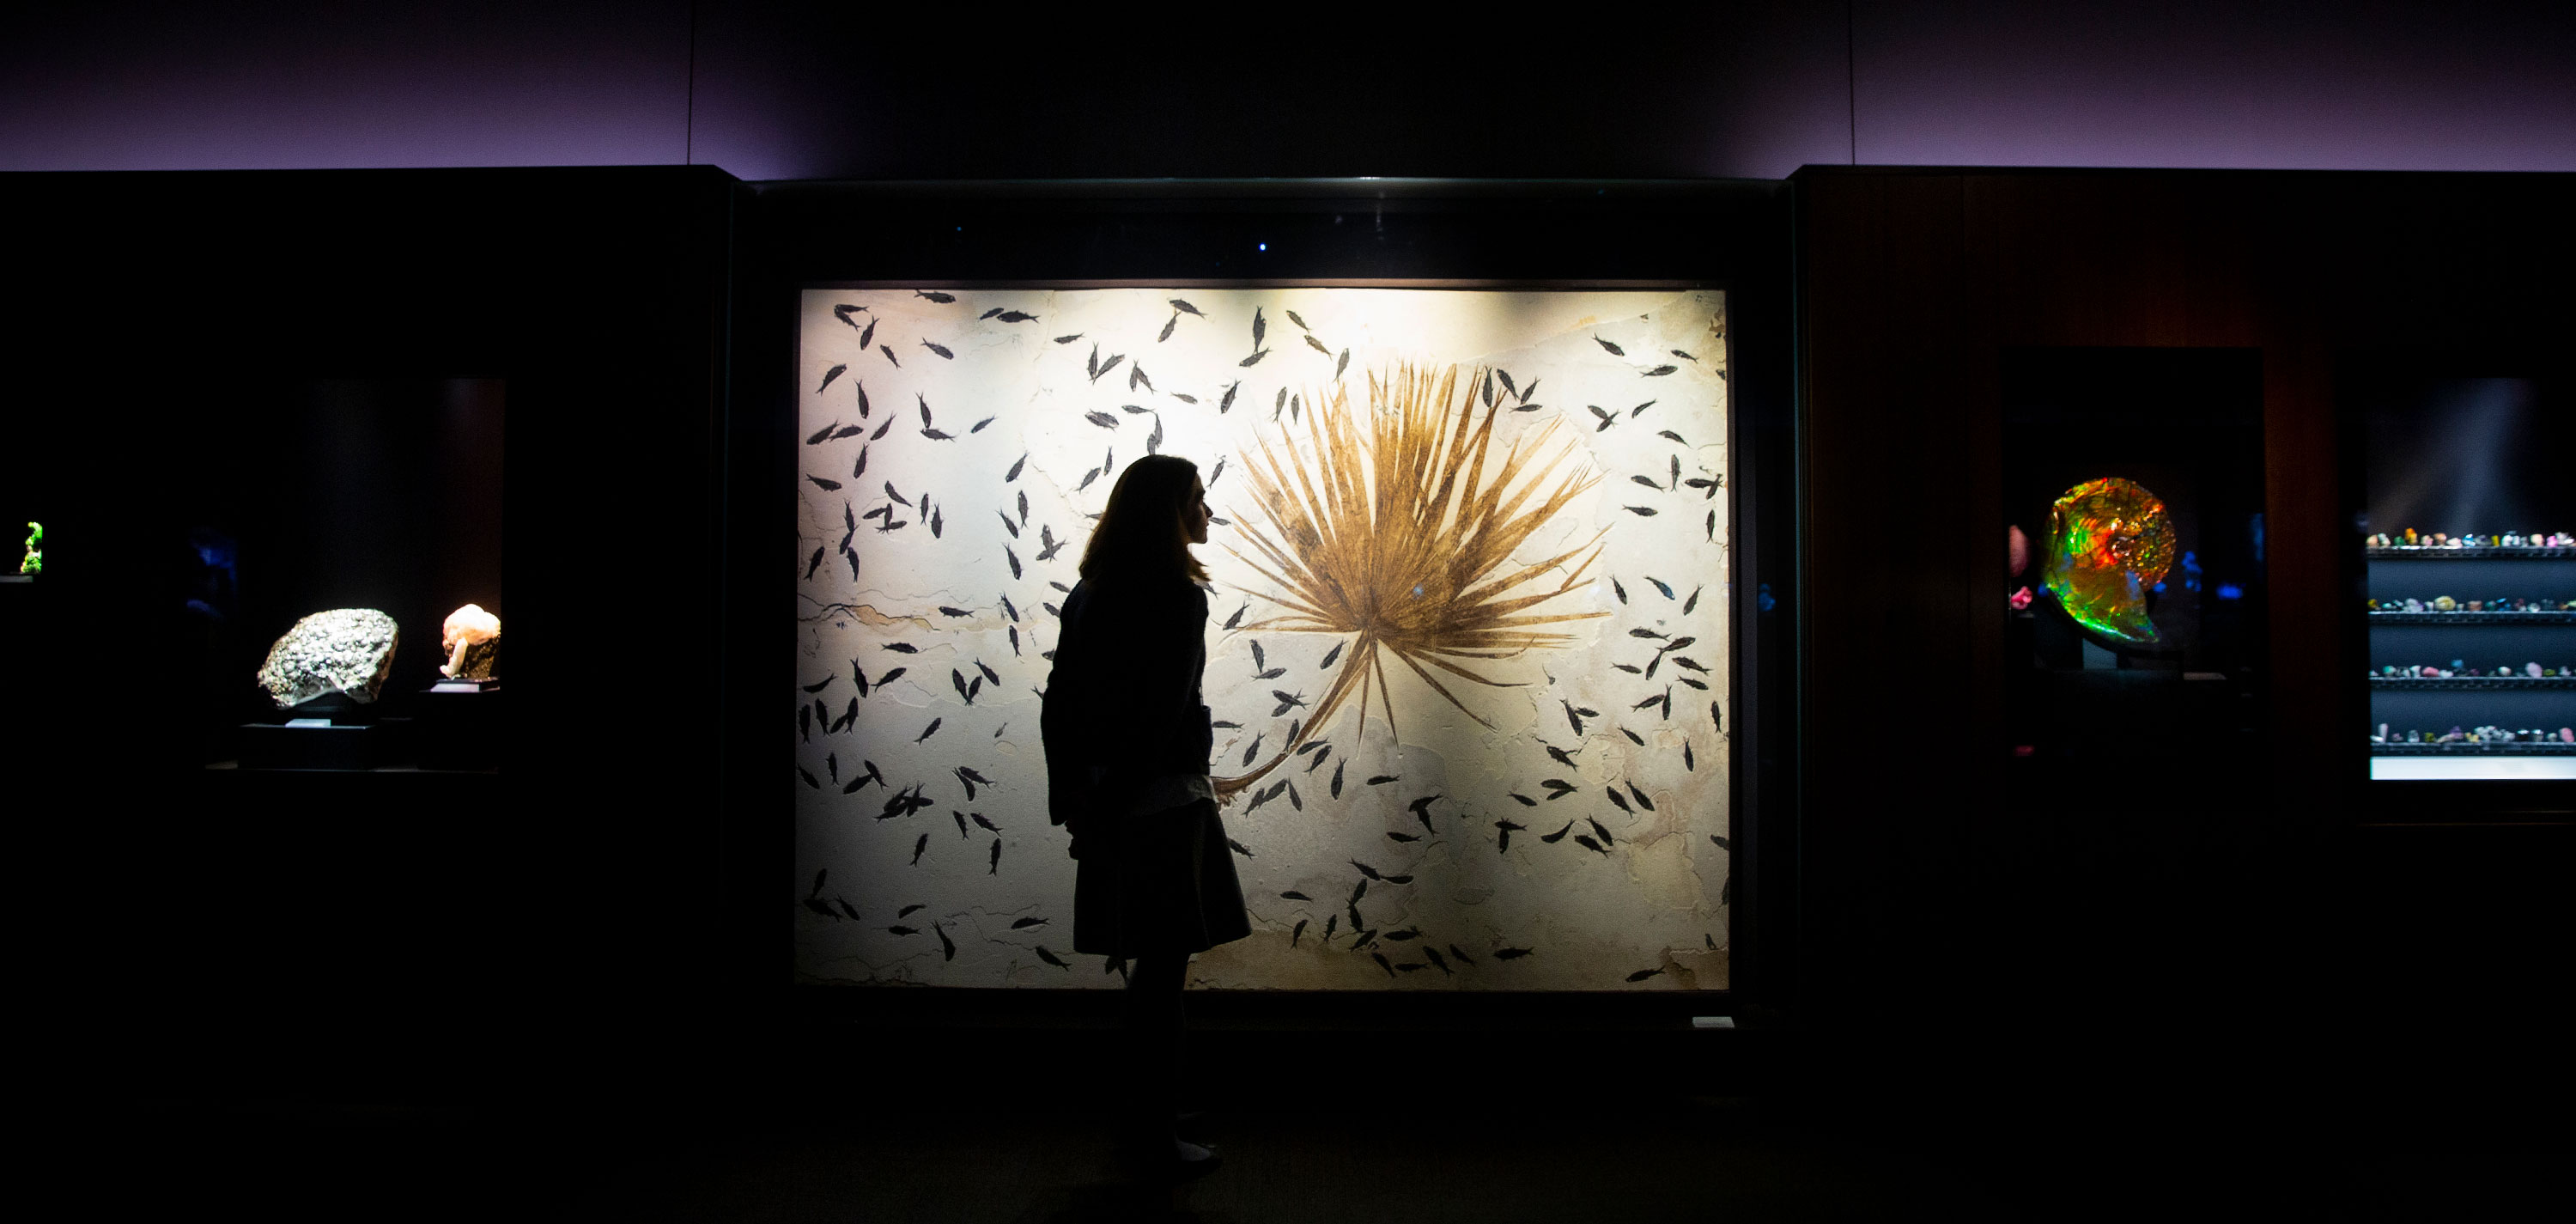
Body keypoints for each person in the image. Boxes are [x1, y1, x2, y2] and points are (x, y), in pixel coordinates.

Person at [1040, 454, 1249, 1175]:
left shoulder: (1090, 593)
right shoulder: (1178, 598)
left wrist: (1075, 796)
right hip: (1158, 802)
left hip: (1111, 796)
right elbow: (1163, 712)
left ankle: (1151, 1110)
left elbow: (1059, 702)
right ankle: (1152, 1133)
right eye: (1197, 497)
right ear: (1168, 512)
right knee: (1162, 974)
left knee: (1151, 970)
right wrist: (1121, 797)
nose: (1208, 509)